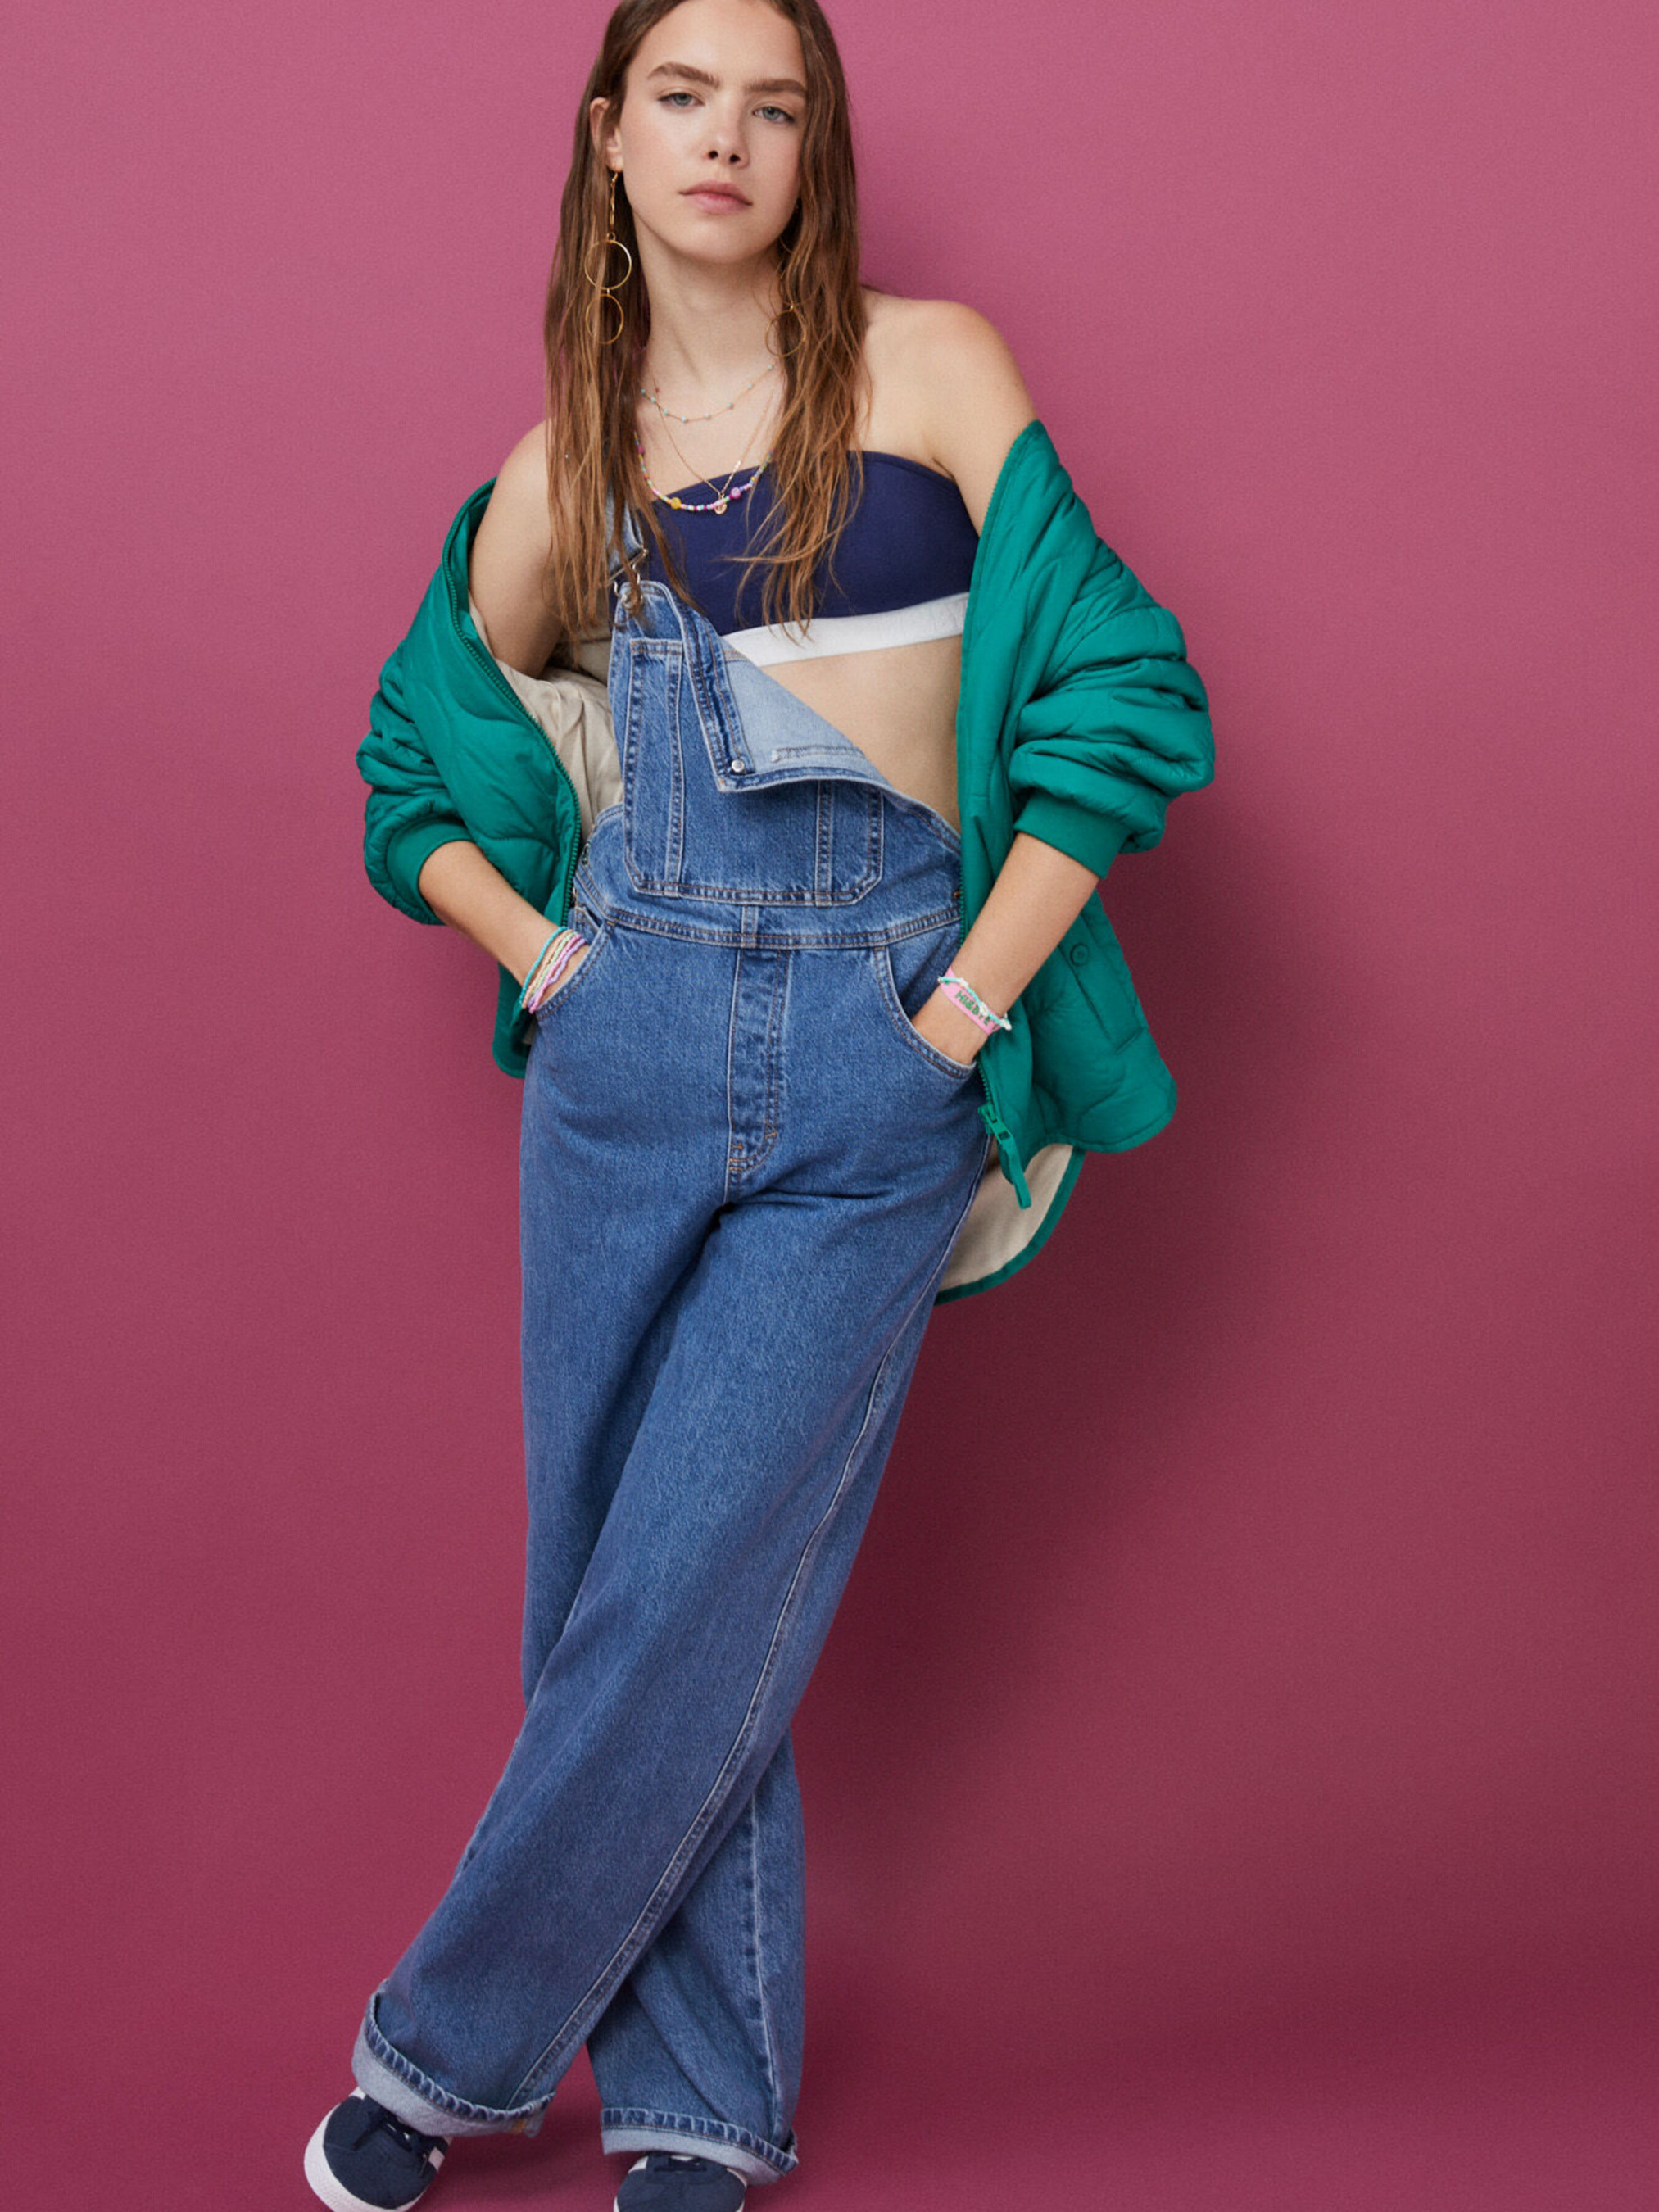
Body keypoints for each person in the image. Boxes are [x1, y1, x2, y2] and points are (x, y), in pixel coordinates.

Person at [306, 1, 1214, 2206]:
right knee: (613, 1582)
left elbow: (1119, 690)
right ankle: (697, 2110)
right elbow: (413, 767)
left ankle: (439, 2057)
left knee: (702, 1566)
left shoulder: (932, 370)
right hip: (625, 1056)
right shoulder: (561, 473)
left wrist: (960, 1014)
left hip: (880, 1049)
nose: (728, 138)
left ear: (814, 154)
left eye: (774, 105)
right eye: (686, 96)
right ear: (609, 140)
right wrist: (549, 964)